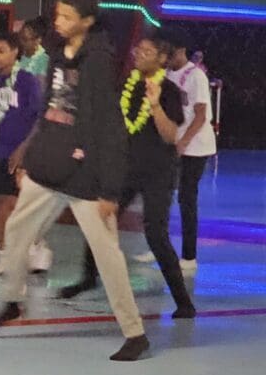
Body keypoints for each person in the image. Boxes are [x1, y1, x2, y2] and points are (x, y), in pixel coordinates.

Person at [0, 0, 150, 361]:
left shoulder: (99, 62)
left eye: (68, 17)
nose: (59, 21)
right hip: (49, 165)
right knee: (19, 229)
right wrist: (30, 154)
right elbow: (48, 112)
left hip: (86, 175)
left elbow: (108, 126)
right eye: (59, 14)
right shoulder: (57, 54)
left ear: (86, 22)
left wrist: (110, 191)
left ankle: (135, 333)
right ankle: (12, 301)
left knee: (108, 254)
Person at [57, 32, 195, 318]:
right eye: (138, 49)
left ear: (162, 58)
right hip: (124, 169)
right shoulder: (126, 85)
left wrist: (155, 105)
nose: (139, 54)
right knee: (100, 218)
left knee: (156, 234)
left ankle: (183, 301)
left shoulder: (168, 91)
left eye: (147, 51)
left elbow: (170, 136)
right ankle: (87, 278)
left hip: (158, 173)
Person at [0, 32, 46, 275]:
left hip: (26, 150)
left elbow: (38, 118)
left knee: (21, 205)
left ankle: (37, 247)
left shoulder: (26, 81)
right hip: (0, 150)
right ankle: (6, 257)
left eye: (1, 50)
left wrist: (22, 150)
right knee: (0, 204)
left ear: (15, 52)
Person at [164, 28, 216, 275]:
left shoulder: (197, 77)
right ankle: (160, 244)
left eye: (170, 53)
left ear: (181, 51)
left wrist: (183, 142)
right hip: (175, 142)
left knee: (186, 197)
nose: (167, 57)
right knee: (161, 193)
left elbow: (201, 116)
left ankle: (189, 256)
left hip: (196, 146)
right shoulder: (166, 74)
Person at [18, 16, 50, 84]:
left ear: (38, 40)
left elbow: (40, 88)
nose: (21, 42)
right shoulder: (17, 56)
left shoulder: (43, 61)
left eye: (25, 39)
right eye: (20, 37)